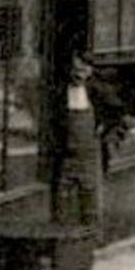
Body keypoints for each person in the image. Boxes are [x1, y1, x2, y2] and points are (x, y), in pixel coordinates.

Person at [57, 53, 105, 234]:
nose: (78, 75)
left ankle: (92, 235)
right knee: (64, 194)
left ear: (90, 71)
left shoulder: (96, 91)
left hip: (89, 152)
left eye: (83, 70)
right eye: (75, 70)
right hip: (67, 151)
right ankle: (64, 236)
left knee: (90, 193)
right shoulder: (61, 92)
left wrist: (102, 129)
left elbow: (113, 113)